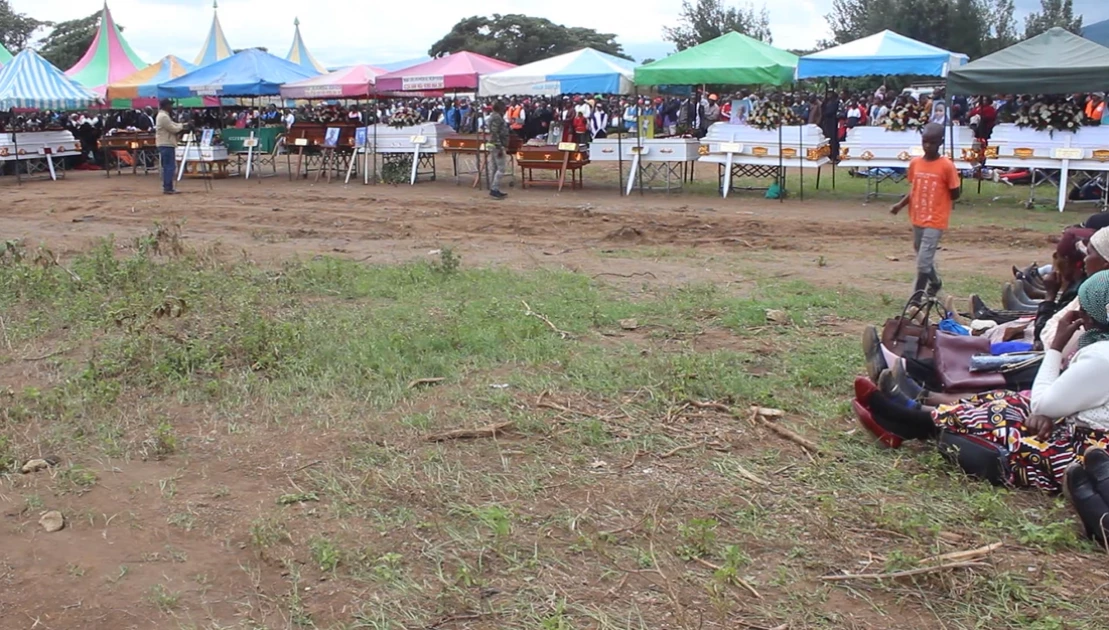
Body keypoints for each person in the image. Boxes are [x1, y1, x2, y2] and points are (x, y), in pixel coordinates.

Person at [889, 123, 961, 301]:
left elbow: (955, 192)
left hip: (935, 220)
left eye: (932, 142)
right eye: (925, 142)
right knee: (922, 255)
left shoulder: (946, 166)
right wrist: (900, 205)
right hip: (917, 217)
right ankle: (935, 282)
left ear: (940, 142)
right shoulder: (915, 164)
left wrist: (940, 197)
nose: (927, 146)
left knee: (922, 264)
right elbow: (915, 189)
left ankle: (916, 298)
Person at [155, 99, 189, 195]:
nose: (171, 107)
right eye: (170, 105)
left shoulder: (164, 115)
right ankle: (168, 187)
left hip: (166, 143)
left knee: (168, 166)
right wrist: (183, 126)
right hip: (166, 143)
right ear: (166, 106)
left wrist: (183, 125)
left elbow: (174, 124)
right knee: (169, 166)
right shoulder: (163, 116)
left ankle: (168, 187)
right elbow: (173, 128)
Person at [487, 101, 509, 201]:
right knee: (501, 169)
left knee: (494, 168)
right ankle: (494, 189)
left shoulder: (493, 116)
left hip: (493, 144)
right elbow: (495, 133)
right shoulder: (497, 118)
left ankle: (493, 188)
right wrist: (500, 147)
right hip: (497, 145)